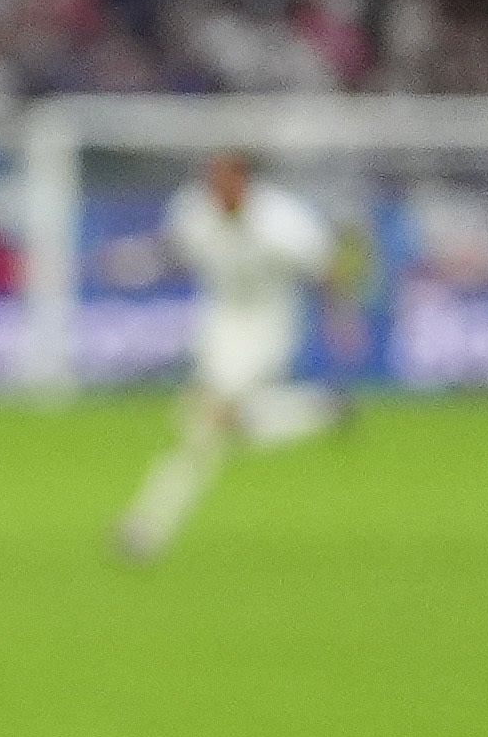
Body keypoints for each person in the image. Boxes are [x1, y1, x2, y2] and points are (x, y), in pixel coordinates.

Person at [115, 147, 347, 562]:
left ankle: (147, 527)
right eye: (211, 180)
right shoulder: (194, 211)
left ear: (245, 182)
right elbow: (174, 248)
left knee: (202, 425)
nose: (215, 189)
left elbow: (326, 265)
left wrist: (340, 319)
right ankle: (316, 411)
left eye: (224, 180)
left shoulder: (284, 221)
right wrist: (132, 262)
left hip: (269, 328)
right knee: (230, 426)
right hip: (219, 323)